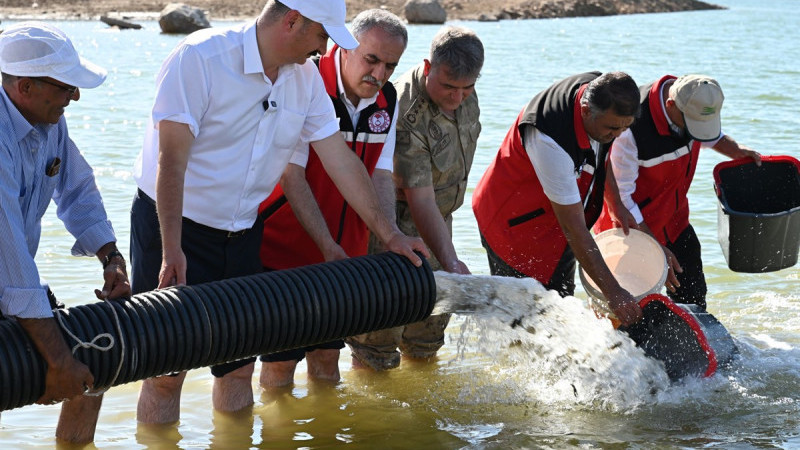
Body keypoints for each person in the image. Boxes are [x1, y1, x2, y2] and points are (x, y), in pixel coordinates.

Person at [130, 0, 427, 424]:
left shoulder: (304, 77)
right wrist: (171, 248)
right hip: (173, 226)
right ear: (291, 21)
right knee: (165, 372)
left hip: (243, 230)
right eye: (323, 36)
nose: (325, 50)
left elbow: (341, 160)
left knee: (239, 367)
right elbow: (171, 161)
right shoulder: (200, 57)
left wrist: (390, 234)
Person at [258, 9, 408, 386]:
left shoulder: (388, 99)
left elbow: (380, 174)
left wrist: (389, 235)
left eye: (391, 65)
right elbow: (291, 176)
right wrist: (326, 244)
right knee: (279, 367)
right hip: (285, 253)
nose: (380, 74)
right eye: (371, 60)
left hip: (345, 258)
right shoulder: (304, 81)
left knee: (327, 362)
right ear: (343, 47)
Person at [0, 22, 131, 444]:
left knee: (95, 368)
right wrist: (56, 362)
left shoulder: (47, 117)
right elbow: (9, 255)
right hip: (8, 271)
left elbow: (77, 189)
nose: (75, 96)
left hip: (8, 281)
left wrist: (111, 256)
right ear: (23, 86)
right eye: (67, 86)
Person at [345, 26, 484, 371]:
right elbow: (419, 200)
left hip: (441, 228)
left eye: (467, 88)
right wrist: (452, 262)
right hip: (392, 237)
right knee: (376, 347)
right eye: (449, 87)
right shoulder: (405, 110)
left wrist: (448, 259)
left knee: (426, 341)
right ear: (428, 66)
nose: (458, 97)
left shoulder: (467, 92)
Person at [472, 72, 644, 326]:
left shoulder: (601, 94)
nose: (617, 135)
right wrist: (614, 292)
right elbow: (574, 228)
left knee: (560, 311)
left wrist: (615, 202)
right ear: (585, 110)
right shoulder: (549, 139)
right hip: (512, 226)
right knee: (522, 323)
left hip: (556, 225)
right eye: (612, 128)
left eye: (624, 128)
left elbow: (600, 157)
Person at [593, 74, 761, 311]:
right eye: (693, 124)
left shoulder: (693, 104)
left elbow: (709, 135)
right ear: (671, 106)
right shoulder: (631, 130)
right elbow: (620, 199)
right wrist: (654, 248)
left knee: (694, 302)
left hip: (675, 222)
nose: (698, 132)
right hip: (630, 232)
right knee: (628, 312)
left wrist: (736, 150)